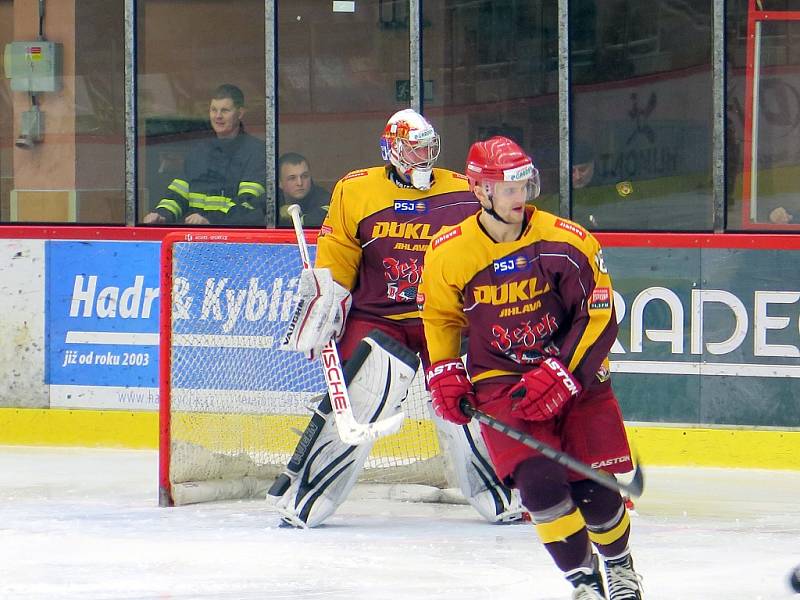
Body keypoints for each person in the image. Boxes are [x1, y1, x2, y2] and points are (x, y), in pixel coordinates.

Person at [268, 109, 526, 528]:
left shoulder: (464, 191)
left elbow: (493, 250)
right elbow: (337, 260)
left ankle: (499, 495)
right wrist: (325, 303)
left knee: (463, 402)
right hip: (379, 320)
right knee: (362, 398)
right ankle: (309, 498)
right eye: (413, 147)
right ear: (391, 149)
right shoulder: (355, 190)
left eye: (428, 146)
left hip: (442, 318)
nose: (423, 155)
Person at [419, 136, 644, 600]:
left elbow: (598, 315)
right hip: (502, 382)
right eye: (508, 189)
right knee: (539, 487)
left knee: (597, 497)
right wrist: (444, 368)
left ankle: (620, 568)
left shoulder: (567, 240)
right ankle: (584, 584)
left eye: (525, 185)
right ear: (481, 191)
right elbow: (440, 316)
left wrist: (563, 373)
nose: (520, 198)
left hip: (576, 375)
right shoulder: (449, 251)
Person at [142, 84, 267, 226]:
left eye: (225, 110)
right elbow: (179, 193)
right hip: (196, 237)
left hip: (232, 240)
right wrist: (162, 214)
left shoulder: (256, 152)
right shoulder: (198, 151)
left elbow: (248, 203)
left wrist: (210, 220)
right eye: (214, 110)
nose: (218, 116)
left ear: (240, 113)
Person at [276, 152, 331, 227]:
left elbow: (324, 217)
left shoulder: (324, 198)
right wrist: (276, 213)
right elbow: (257, 217)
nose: (300, 183)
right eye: (292, 178)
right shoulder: (271, 199)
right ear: (280, 183)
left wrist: (291, 216)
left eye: (305, 176)